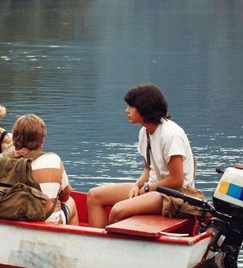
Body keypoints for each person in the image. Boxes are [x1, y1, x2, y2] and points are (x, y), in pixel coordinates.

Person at [87, 83, 203, 228]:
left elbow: (177, 180)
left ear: (144, 107)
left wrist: (148, 189)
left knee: (117, 210)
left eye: (130, 106)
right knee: (94, 196)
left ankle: (111, 247)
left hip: (174, 195)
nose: (126, 111)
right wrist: (137, 185)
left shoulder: (170, 134)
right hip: (154, 189)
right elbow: (148, 170)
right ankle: (97, 245)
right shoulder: (145, 132)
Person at [0, 114, 79, 225]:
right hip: (45, 222)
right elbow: (65, 195)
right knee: (71, 202)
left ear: (14, 138)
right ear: (41, 139)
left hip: (8, 218)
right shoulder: (53, 160)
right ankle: (71, 240)